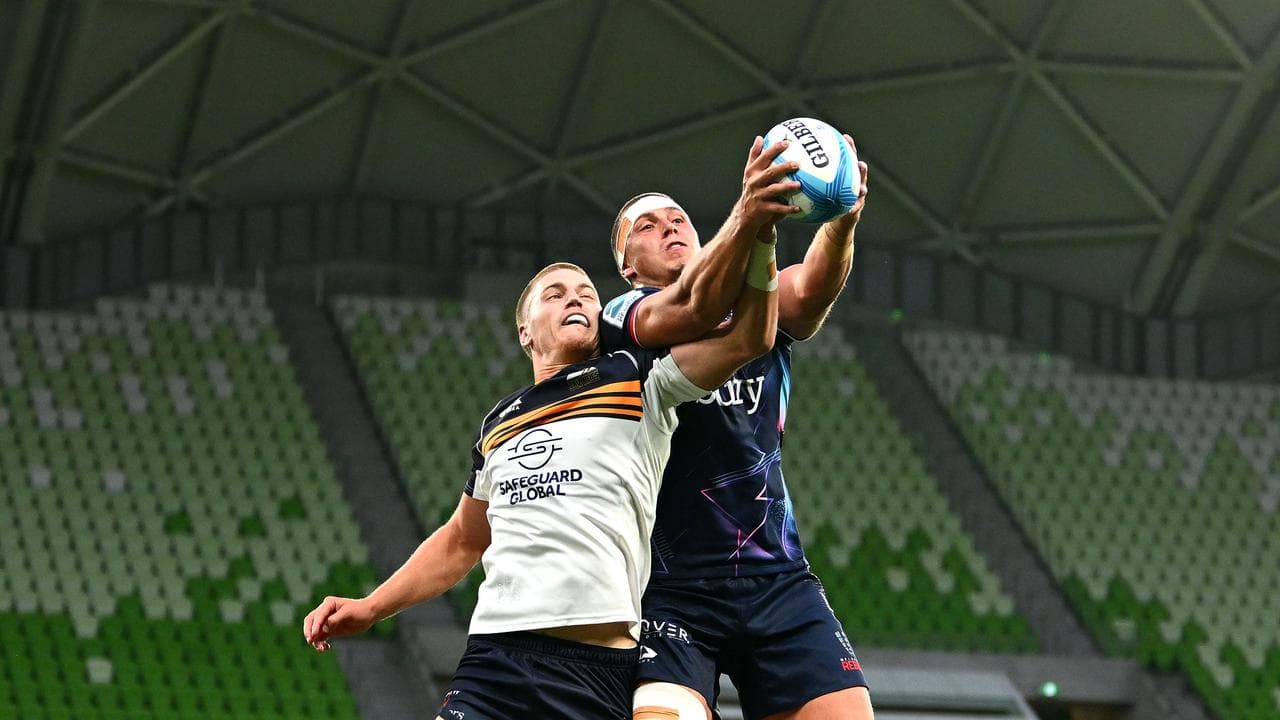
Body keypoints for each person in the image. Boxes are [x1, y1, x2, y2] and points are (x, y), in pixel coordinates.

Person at [302, 171, 789, 718]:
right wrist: (372, 607)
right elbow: (462, 540)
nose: (574, 299)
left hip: (596, 668)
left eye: (586, 294)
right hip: (494, 659)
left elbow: (750, 338)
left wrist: (761, 239)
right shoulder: (498, 422)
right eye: (554, 295)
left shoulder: (638, 377)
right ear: (525, 331)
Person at [599, 136, 873, 720]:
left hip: (779, 578)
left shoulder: (758, 295)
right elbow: (693, 306)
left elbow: (811, 292)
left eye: (678, 220)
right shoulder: (623, 316)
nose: (669, 228)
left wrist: (841, 224)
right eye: (647, 226)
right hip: (672, 587)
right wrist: (750, 219)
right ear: (627, 265)